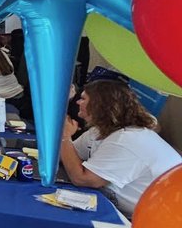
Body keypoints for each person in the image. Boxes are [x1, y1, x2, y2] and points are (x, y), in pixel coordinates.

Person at [59, 79, 182, 217]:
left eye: (83, 99)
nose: (77, 102)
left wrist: (65, 136)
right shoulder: (99, 131)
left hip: (164, 222)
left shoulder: (125, 139)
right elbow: (68, 155)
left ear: (99, 105)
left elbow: (82, 179)